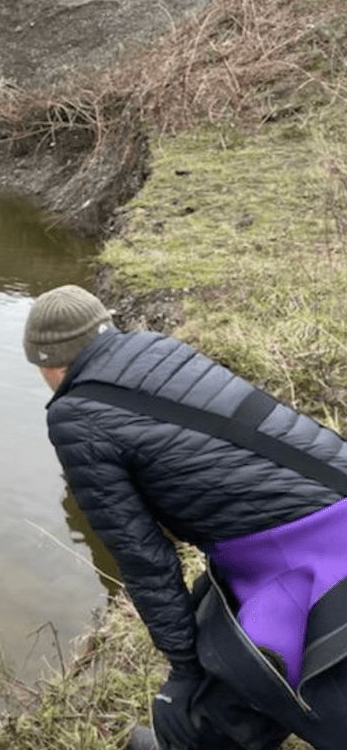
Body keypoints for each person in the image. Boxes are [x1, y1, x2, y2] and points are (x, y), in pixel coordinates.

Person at [22, 284, 347, 750]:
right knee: (227, 657)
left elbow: (144, 557)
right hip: (324, 511)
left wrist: (184, 669)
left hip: (310, 558)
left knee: (234, 681)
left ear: (48, 365)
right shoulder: (160, 348)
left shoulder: (75, 417)